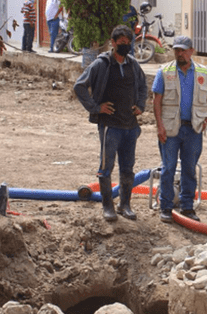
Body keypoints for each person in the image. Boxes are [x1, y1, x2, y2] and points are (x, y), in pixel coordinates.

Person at [74, 25, 147, 222]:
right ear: (113, 43)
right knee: (106, 167)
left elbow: (142, 85)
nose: (125, 45)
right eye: (121, 42)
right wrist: (96, 107)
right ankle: (108, 206)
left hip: (130, 126)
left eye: (128, 42)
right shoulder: (102, 64)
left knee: (128, 167)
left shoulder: (133, 64)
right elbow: (79, 86)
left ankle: (125, 205)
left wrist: (141, 105)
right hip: (110, 126)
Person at [152, 36, 207, 223]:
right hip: (171, 128)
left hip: (193, 129)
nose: (180, 54)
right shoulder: (164, 72)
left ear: (191, 51)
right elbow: (157, 100)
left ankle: (187, 207)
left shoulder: (203, 72)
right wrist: (159, 125)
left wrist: (206, 116)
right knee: (168, 168)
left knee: (189, 169)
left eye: (183, 50)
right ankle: (166, 207)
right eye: (177, 50)